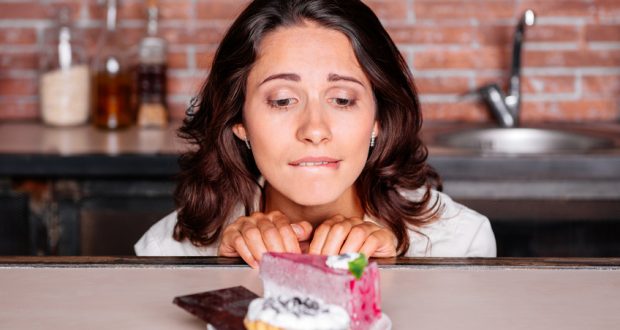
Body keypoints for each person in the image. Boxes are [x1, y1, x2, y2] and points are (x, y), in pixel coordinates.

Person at [135, 0, 496, 266]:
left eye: (341, 99)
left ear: (378, 119)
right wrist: (219, 272)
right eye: (282, 101)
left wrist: (401, 272)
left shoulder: (459, 244)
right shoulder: (169, 251)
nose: (314, 130)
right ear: (238, 121)